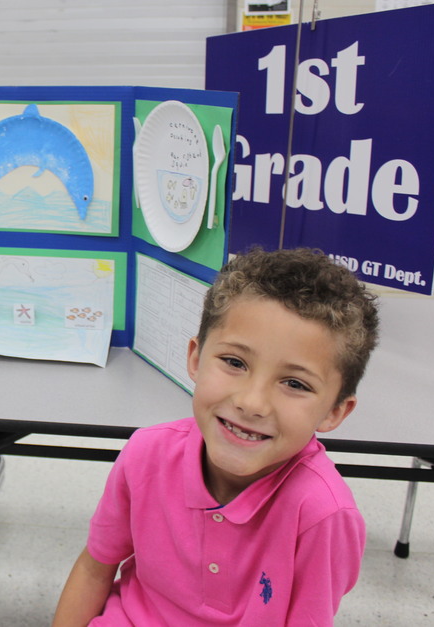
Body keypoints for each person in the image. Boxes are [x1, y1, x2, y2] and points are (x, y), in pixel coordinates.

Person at [52, 247, 379, 626]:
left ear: (335, 410)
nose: (252, 403)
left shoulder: (323, 514)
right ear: (195, 357)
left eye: (294, 383)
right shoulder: (146, 454)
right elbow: (96, 568)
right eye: (235, 362)